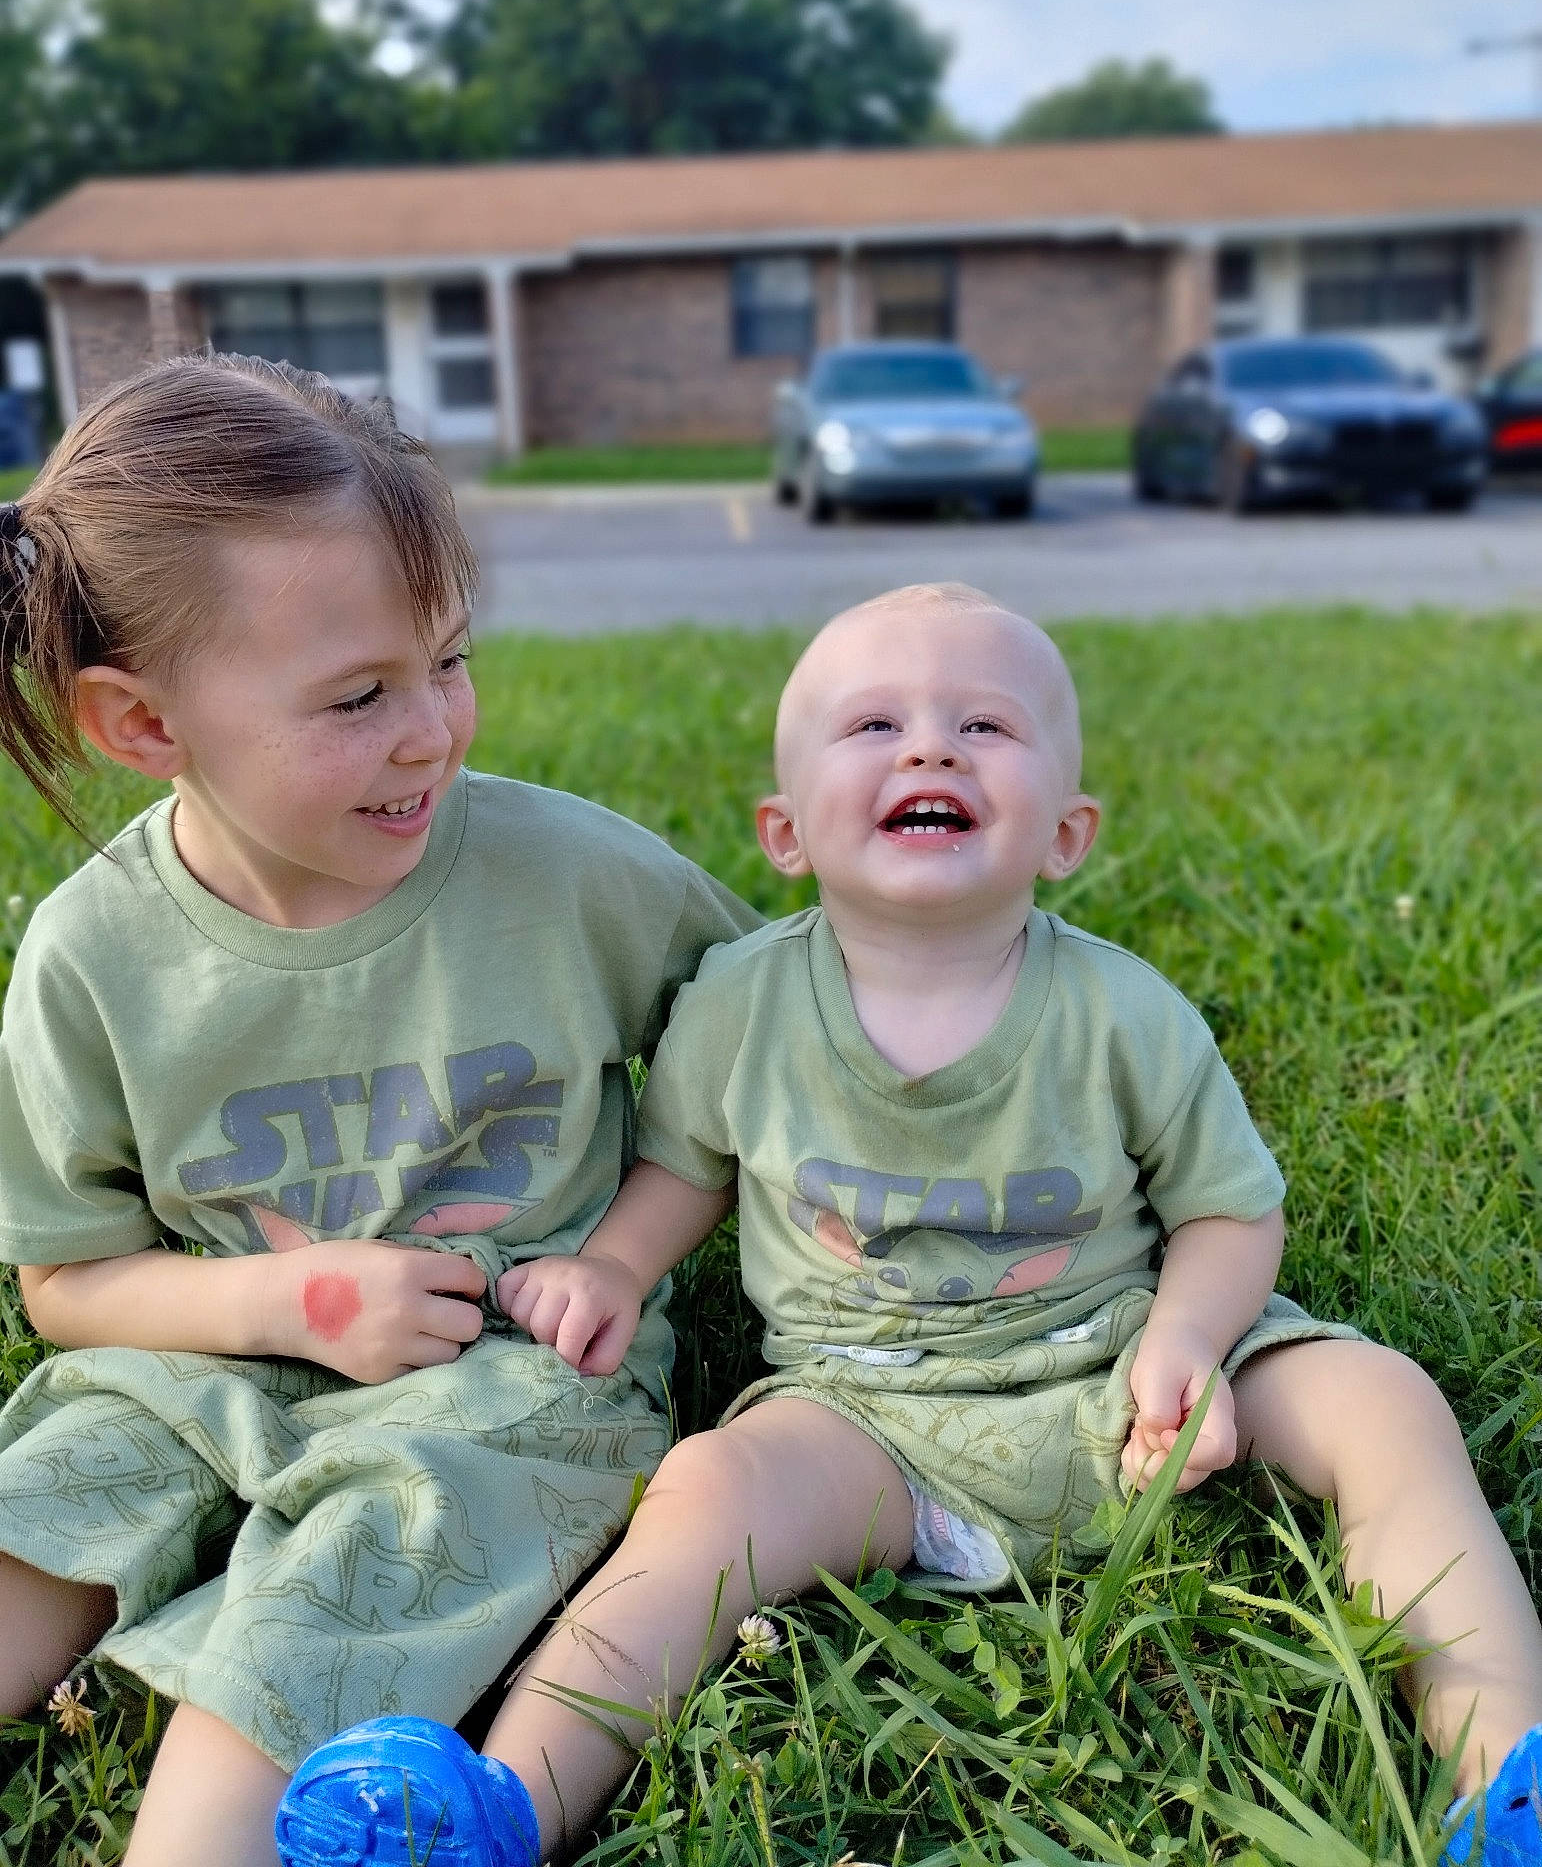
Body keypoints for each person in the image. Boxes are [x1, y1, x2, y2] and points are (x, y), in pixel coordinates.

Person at [301, 580, 1542, 1866]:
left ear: (1069, 831)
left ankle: (1504, 1772)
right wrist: (613, 1261)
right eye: (874, 724)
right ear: (784, 830)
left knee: (1383, 1398)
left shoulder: (1124, 1013)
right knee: (709, 1489)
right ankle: (510, 1799)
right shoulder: (741, 1003)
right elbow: (686, 1165)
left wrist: (1188, 1333)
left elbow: (1232, 1209)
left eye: (984, 726)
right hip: (863, 1418)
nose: (931, 747)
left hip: (1127, 1383)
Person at [0, 352, 760, 1867]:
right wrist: (288, 1301)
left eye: (449, 661)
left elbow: (756, 1063)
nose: (434, 732)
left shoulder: (573, 878)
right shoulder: (93, 953)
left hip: (509, 1379)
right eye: (358, 696)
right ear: (142, 727)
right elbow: (66, 1286)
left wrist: (613, 1262)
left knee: (359, 1562)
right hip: (205, 1359)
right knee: (50, 1493)